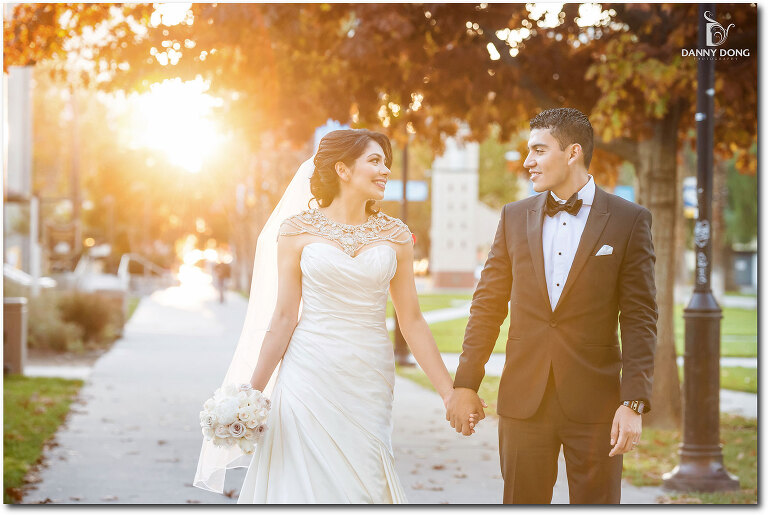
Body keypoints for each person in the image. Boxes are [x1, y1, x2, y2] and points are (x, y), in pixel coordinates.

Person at [194, 129, 476, 503]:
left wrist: (448, 393)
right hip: (307, 376)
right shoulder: (295, 232)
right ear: (343, 170)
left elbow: (412, 321)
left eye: (386, 162)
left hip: (368, 379)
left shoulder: (396, 235)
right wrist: (252, 395)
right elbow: (282, 319)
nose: (385, 170)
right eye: (375, 161)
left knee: (365, 481)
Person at [445, 108, 658, 504]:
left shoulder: (629, 221)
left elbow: (640, 318)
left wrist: (633, 402)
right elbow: (488, 304)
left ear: (573, 152)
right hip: (524, 402)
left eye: (539, 151)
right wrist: (465, 383)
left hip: (596, 405)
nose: (528, 161)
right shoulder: (513, 217)